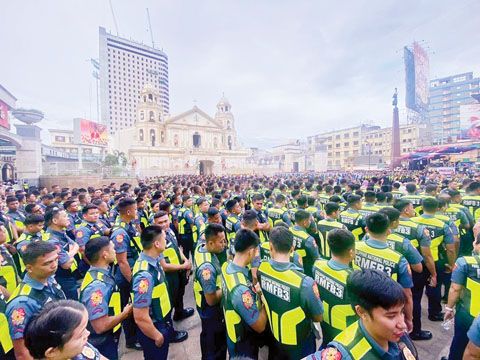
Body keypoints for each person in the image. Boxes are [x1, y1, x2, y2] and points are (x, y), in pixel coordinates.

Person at [307, 269, 418, 360]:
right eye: (391, 316)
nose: (403, 325)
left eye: (402, 312)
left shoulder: (396, 334)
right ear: (362, 312)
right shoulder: (345, 354)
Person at [257, 226, 323, 359]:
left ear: (270, 247)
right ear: (292, 248)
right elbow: (318, 316)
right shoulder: (305, 283)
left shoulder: (261, 269)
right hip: (300, 343)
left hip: (275, 335)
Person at [132, 225, 187, 360]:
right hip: (155, 327)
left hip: (162, 320)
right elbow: (140, 316)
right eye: (164, 238)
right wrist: (157, 335)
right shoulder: (144, 276)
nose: (166, 240)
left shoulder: (154, 260)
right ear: (156, 243)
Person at [353, 212, 414, 333]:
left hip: (360, 301)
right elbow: (407, 294)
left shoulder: (354, 247)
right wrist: (409, 318)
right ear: (388, 231)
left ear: (366, 229)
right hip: (387, 308)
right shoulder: (398, 259)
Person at [6, 241, 66, 359]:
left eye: (55, 259)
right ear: (30, 268)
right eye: (47, 263)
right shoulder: (21, 303)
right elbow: (23, 354)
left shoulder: (49, 279)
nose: (54, 265)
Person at [80, 237, 132, 360]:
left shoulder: (101, 272)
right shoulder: (97, 287)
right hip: (103, 342)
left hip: (109, 337)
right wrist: (125, 314)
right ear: (105, 254)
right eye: (113, 249)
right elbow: (100, 326)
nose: (116, 251)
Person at [221, 229, 267, 359]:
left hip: (233, 334)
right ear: (251, 251)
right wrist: (264, 302)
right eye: (256, 251)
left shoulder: (226, 266)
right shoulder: (241, 291)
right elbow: (260, 326)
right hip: (243, 345)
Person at [394, 199, 435, 340]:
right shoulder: (418, 228)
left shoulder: (387, 225)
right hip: (412, 269)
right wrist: (433, 273)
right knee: (413, 299)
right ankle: (415, 331)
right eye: (412, 208)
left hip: (393, 269)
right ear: (405, 210)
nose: (414, 210)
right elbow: (427, 255)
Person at [412, 197, 456, 322]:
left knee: (416, 290)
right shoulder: (443, 225)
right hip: (435, 260)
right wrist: (451, 264)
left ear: (421, 207)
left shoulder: (413, 221)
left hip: (416, 260)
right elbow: (451, 248)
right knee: (434, 286)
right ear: (437, 208)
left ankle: (414, 315)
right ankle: (434, 313)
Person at [312, 228, 357, 346]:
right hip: (346, 336)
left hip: (325, 325)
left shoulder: (317, 265)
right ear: (351, 251)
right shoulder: (354, 279)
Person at [24, 299, 106, 359]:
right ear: (52, 352)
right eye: (80, 334)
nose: (87, 333)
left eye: (84, 328)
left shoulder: (79, 348)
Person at [110, 198, 142, 350]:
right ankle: (131, 339)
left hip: (132, 268)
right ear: (129, 212)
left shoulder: (127, 225)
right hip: (125, 275)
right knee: (128, 307)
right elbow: (122, 261)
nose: (137, 212)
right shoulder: (120, 232)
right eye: (135, 209)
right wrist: (132, 281)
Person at [442, 234, 480, 360]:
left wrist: (449, 308)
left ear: (477, 244)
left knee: (460, 342)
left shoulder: (465, 263)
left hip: (467, 315)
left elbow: (455, 288)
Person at [193, 223, 227, 360]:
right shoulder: (207, 268)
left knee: (207, 337)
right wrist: (228, 288)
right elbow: (211, 299)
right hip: (210, 309)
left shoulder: (201, 247)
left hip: (202, 304)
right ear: (211, 243)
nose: (224, 244)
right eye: (221, 242)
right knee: (215, 345)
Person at [154, 211, 194, 322]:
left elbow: (177, 248)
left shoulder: (170, 231)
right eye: (160, 222)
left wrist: (186, 260)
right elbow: (164, 266)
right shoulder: (156, 239)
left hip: (178, 270)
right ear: (154, 223)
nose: (163, 224)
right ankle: (169, 326)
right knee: (170, 300)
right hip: (168, 275)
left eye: (166, 221)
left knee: (179, 294)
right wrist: (183, 266)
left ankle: (179, 313)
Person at [45, 207, 80, 300]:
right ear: (55, 220)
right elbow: (66, 264)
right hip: (62, 278)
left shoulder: (60, 233)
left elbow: (76, 245)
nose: (68, 218)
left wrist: (68, 254)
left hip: (70, 275)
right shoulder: (52, 240)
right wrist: (72, 252)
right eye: (64, 216)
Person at [289, 209, 320, 278]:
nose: (310, 222)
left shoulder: (288, 230)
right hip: (306, 270)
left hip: (291, 266)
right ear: (305, 222)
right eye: (309, 220)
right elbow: (316, 258)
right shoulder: (308, 239)